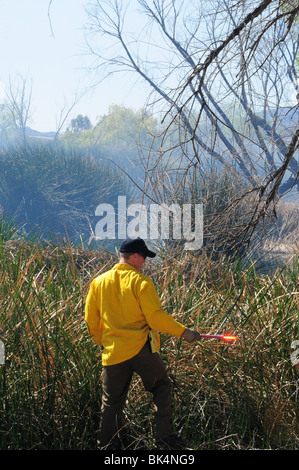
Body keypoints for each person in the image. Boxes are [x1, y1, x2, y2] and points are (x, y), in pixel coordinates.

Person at [84, 237, 201, 450]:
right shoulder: (141, 283)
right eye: (144, 257)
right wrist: (184, 332)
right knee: (161, 386)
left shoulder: (98, 282)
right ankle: (165, 439)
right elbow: (155, 318)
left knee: (111, 403)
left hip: (112, 353)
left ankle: (107, 446)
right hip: (141, 350)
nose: (145, 262)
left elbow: (91, 321)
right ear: (135, 256)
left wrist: (104, 343)